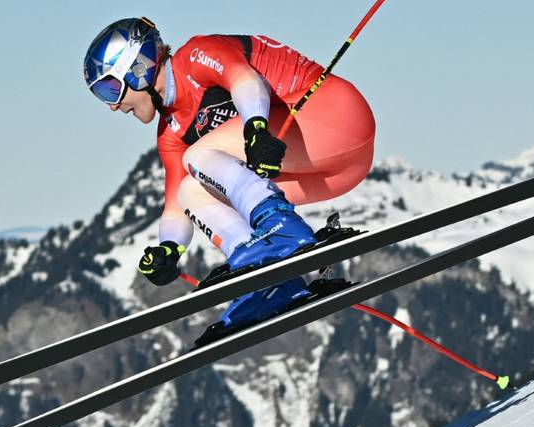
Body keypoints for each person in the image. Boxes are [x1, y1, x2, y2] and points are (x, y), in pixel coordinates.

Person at [83, 17, 376, 332]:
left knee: (196, 156)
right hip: (333, 171)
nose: (112, 106)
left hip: (335, 115)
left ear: (138, 68)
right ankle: (264, 277)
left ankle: (280, 233)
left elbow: (244, 80)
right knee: (189, 190)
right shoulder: (171, 132)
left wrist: (256, 129)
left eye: (110, 88)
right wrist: (168, 249)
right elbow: (174, 205)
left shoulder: (194, 57)